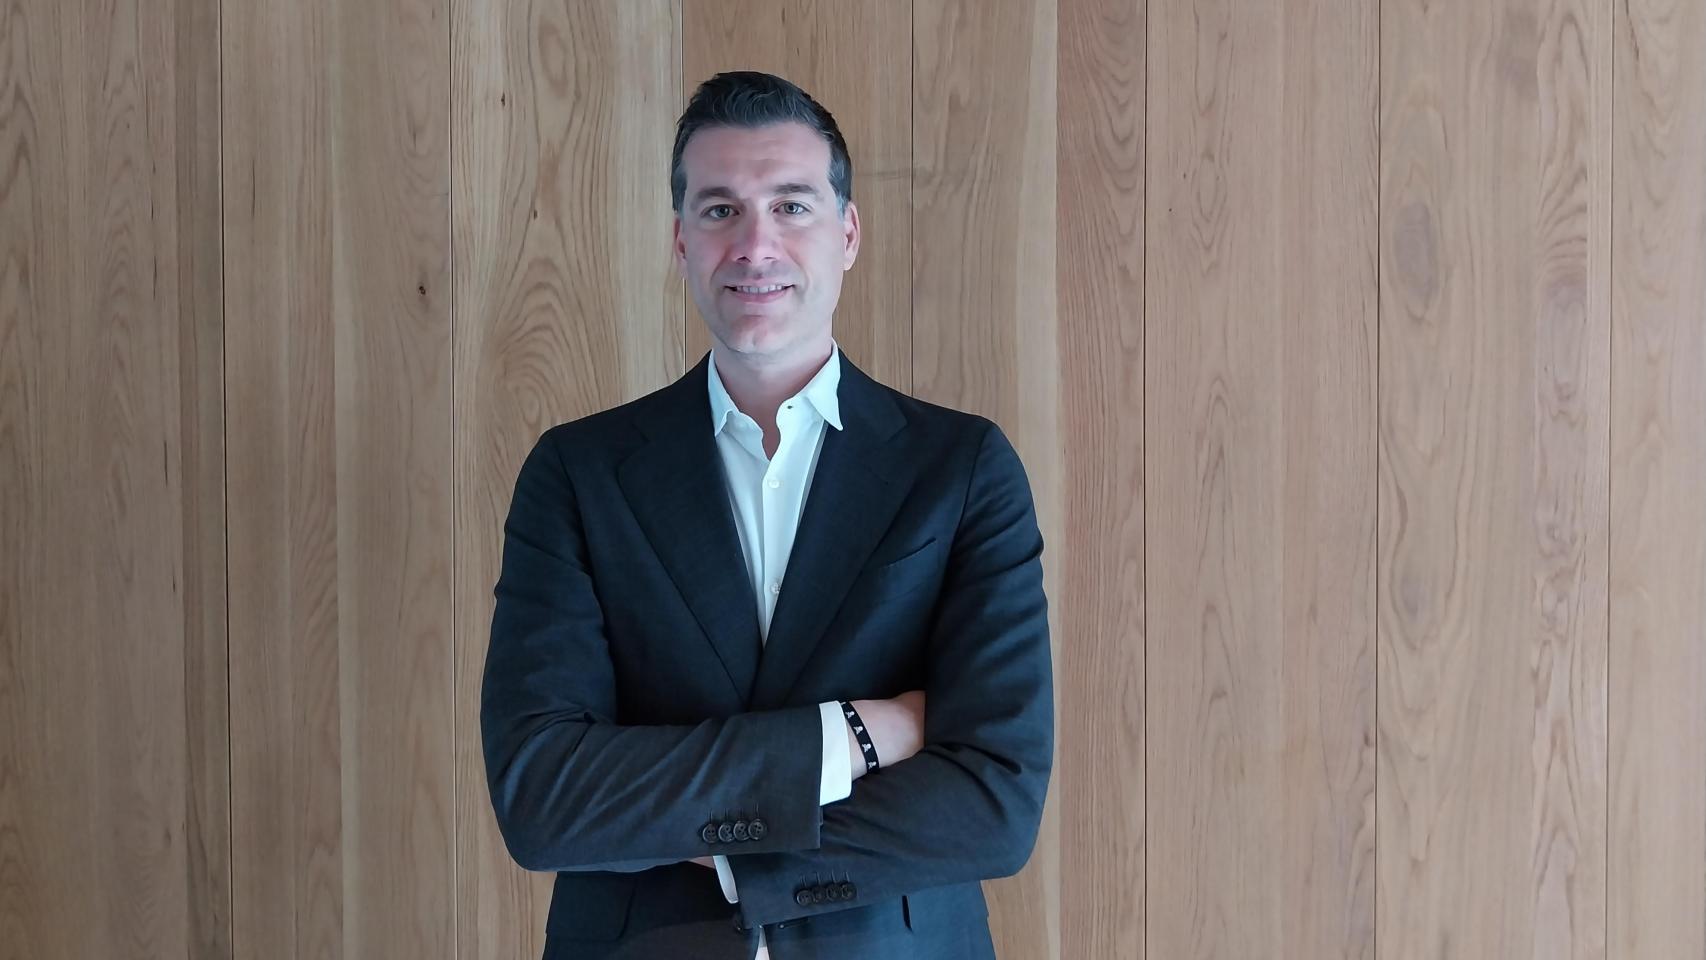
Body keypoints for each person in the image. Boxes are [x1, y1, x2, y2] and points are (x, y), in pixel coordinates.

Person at [480, 70, 1054, 960]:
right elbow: (544, 799)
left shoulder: (963, 468)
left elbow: (995, 802)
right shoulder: (577, 474)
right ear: (681, 241)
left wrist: (736, 855)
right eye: (721, 211)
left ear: (847, 234)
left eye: (791, 206)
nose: (756, 245)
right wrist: (851, 737)